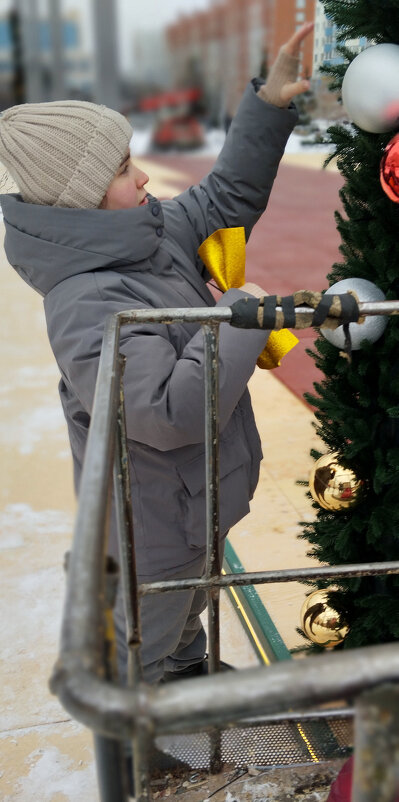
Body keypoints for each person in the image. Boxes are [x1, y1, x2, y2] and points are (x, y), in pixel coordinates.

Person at [0, 24, 313, 687]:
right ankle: (152, 733)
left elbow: (223, 197)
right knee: (151, 625)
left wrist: (268, 106)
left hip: (194, 505)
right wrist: (239, 320)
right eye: (121, 169)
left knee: (188, 607)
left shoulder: (150, 230)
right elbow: (164, 413)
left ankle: (182, 669)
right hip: (155, 528)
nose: (142, 175)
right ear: (77, 194)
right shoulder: (84, 298)